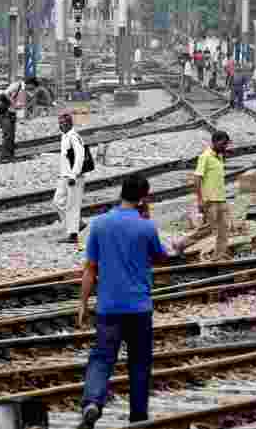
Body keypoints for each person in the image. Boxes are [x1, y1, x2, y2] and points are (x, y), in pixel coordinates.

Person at [77, 174, 184, 428]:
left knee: (102, 358)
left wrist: (82, 303)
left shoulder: (100, 224)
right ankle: (138, 416)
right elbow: (160, 257)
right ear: (143, 198)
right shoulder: (146, 227)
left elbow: (90, 269)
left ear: (121, 193)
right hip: (139, 308)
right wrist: (175, 248)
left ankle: (92, 402)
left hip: (108, 307)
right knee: (139, 362)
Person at [176, 130, 232, 260]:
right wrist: (200, 199)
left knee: (224, 229)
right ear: (215, 142)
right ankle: (181, 244)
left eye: (226, 144)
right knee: (209, 229)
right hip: (210, 200)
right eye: (223, 144)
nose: (225, 147)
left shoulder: (219, 157)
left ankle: (218, 257)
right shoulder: (205, 156)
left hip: (221, 199)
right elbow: (197, 179)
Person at [55, 111, 87, 243]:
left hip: (73, 177)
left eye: (63, 123)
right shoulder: (65, 136)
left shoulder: (74, 136)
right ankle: (77, 223)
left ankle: (73, 234)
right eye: (59, 123)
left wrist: (74, 174)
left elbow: (80, 157)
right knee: (58, 201)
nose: (60, 126)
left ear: (69, 124)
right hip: (64, 176)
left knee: (72, 205)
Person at [0, 76, 38, 161]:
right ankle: (4, 157)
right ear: (30, 84)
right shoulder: (17, 85)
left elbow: (24, 102)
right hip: (5, 113)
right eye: (32, 87)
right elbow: (5, 94)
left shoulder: (24, 90)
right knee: (7, 135)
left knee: (11, 136)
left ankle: (10, 156)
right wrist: (13, 103)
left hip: (12, 114)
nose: (31, 89)